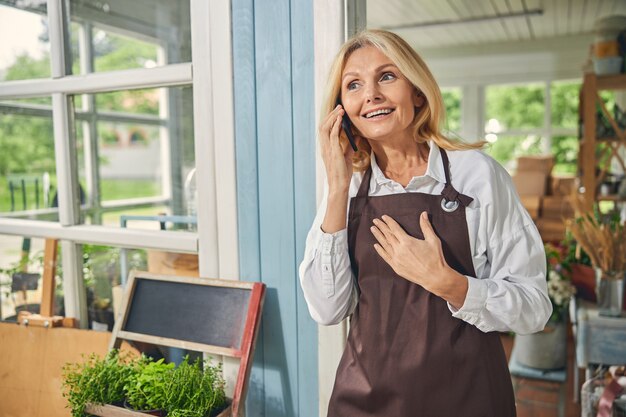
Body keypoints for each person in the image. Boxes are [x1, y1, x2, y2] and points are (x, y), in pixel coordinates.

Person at [299, 29, 552, 417]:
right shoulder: (345, 192)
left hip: (469, 398)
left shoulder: (477, 177)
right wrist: (336, 187)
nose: (371, 95)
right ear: (342, 110)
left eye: (386, 76)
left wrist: (448, 283)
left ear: (417, 92)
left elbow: (534, 308)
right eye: (354, 85)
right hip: (364, 401)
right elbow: (327, 309)